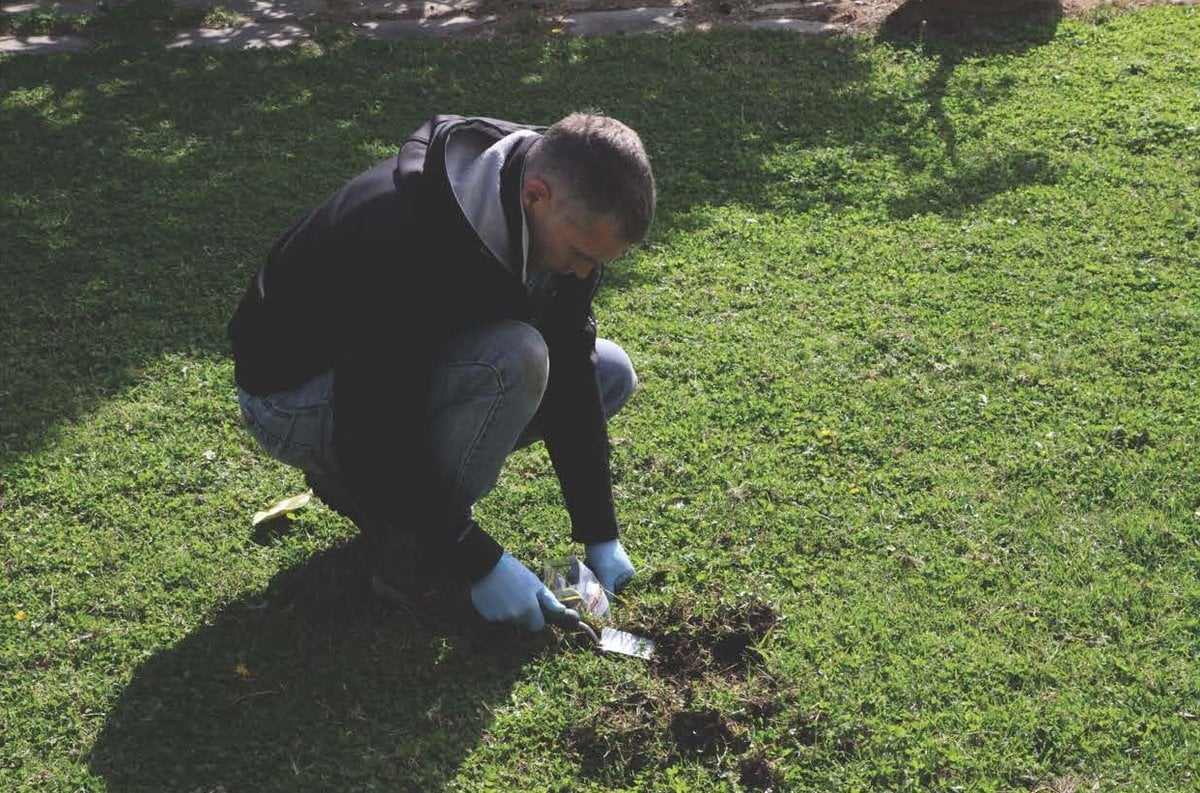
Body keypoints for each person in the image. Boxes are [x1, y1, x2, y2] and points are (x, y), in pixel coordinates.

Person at [228, 113, 656, 634]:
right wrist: (475, 556)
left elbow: (570, 355)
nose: (584, 274)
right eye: (581, 255)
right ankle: (411, 561)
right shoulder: (411, 238)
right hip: (292, 397)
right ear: (536, 197)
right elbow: (370, 426)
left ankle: (380, 498)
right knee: (516, 358)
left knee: (607, 371)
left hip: (382, 377)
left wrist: (599, 534)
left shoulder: (545, 198)